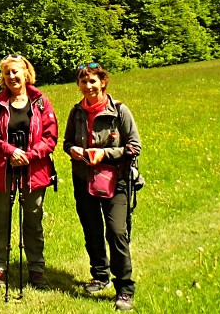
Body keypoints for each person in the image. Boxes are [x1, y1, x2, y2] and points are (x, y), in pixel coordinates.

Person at [64, 62, 141, 312]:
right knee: (92, 230)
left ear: (103, 82)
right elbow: (66, 142)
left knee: (117, 232)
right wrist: (73, 150)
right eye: (84, 82)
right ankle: (99, 275)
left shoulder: (120, 111)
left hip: (116, 181)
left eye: (93, 81)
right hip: (83, 179)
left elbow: (133, 147)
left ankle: (125, 290)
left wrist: (104, 154)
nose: (88, 86)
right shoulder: (76, 112)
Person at [0, 54, 58, 290]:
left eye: (15, 72)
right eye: (7, 73)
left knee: (33, 222)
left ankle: (36, 269)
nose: (12, 77)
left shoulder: (41, 102)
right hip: (4, 170)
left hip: (35, 170)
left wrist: (29, 155)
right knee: (0, 221)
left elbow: (50, 137)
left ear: (26, 73)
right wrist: (10, 151)